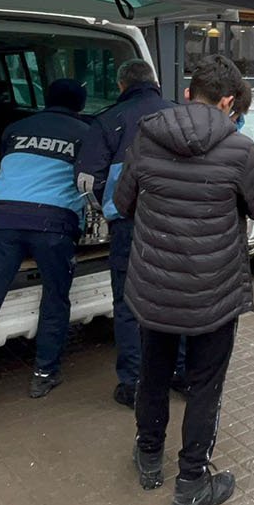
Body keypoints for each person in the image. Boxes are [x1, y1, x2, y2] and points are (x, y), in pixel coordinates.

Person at [114, 55, 254, 505]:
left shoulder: (147, 136)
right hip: (213, 293)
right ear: (228, 102)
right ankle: (191, 485)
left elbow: (122, 202)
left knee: (153, 373)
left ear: (189, 92)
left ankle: (149, 460)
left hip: (155, 287)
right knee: (205, 385)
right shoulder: (239, 148)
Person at [0, 79, 90, 425]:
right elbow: (88, 180)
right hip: (54, 222)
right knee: (55, 299)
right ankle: (44, 373)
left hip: (3, 217)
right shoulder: (85, 132)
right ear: (80, 105)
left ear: (46, 100)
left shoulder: (16, 128)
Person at [75, 60, 172, 408]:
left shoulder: (108, 121)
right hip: (176, 226)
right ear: (155, 82)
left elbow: (86, 181)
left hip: (129, 227)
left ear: (121, 86)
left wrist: (111, 212)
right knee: (173, 301)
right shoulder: (178, 113)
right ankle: (179, 373)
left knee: (129, 304)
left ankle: (133, 383)